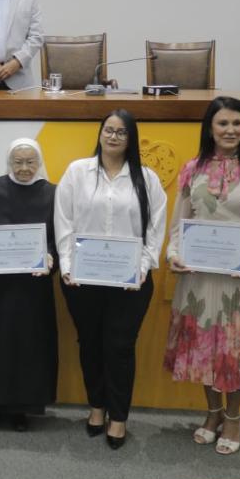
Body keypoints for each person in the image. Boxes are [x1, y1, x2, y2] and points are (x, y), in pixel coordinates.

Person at [163, 96, 240, 456]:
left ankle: (233, 418)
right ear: (210, 128)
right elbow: (179, 224)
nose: (231, 130)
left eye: (237, 123)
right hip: (200, 273)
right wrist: (174, 253)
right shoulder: (192, 169)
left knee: (237, 348)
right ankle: (213, 413)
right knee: (204, 345)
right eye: (223, 123)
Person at [54, 109, 166, 449]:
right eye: (109, 130)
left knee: (119, 347)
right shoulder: (77, 172)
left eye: (121, 132)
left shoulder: (147, 179)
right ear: (100, 133)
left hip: (129, 282)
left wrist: (143, 267)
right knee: (89, 344)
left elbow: (155, 228)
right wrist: (67, 265)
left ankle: (119, 417)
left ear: (131, 139)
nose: (113, 136)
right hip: (81, 279)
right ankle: (97, 408)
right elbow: (64, 221)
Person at [0, 138, 58, 432]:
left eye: (31, 162)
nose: (25, 168)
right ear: (9, 162)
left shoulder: (52, 194)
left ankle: (22, 409)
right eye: (18, 162)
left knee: (28, 347)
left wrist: (51, 258)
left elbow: (58, 238)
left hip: (32, 289)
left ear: (39, 162)